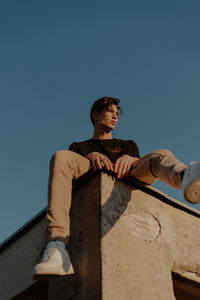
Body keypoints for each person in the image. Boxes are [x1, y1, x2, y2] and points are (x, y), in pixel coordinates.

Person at [32, 96, 200, 280]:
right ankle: (57, 247)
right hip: (90, 171)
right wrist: (89, 156)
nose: (115, 117)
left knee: (162, 154)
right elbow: (71, 180)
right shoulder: (79, 147)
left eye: (116, 113)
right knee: (61, 156)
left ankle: (186, 176)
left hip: (129, 174)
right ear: (95, 115)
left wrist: (132, 158)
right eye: (110, 111)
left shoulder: (127, 145)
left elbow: (139, 167)